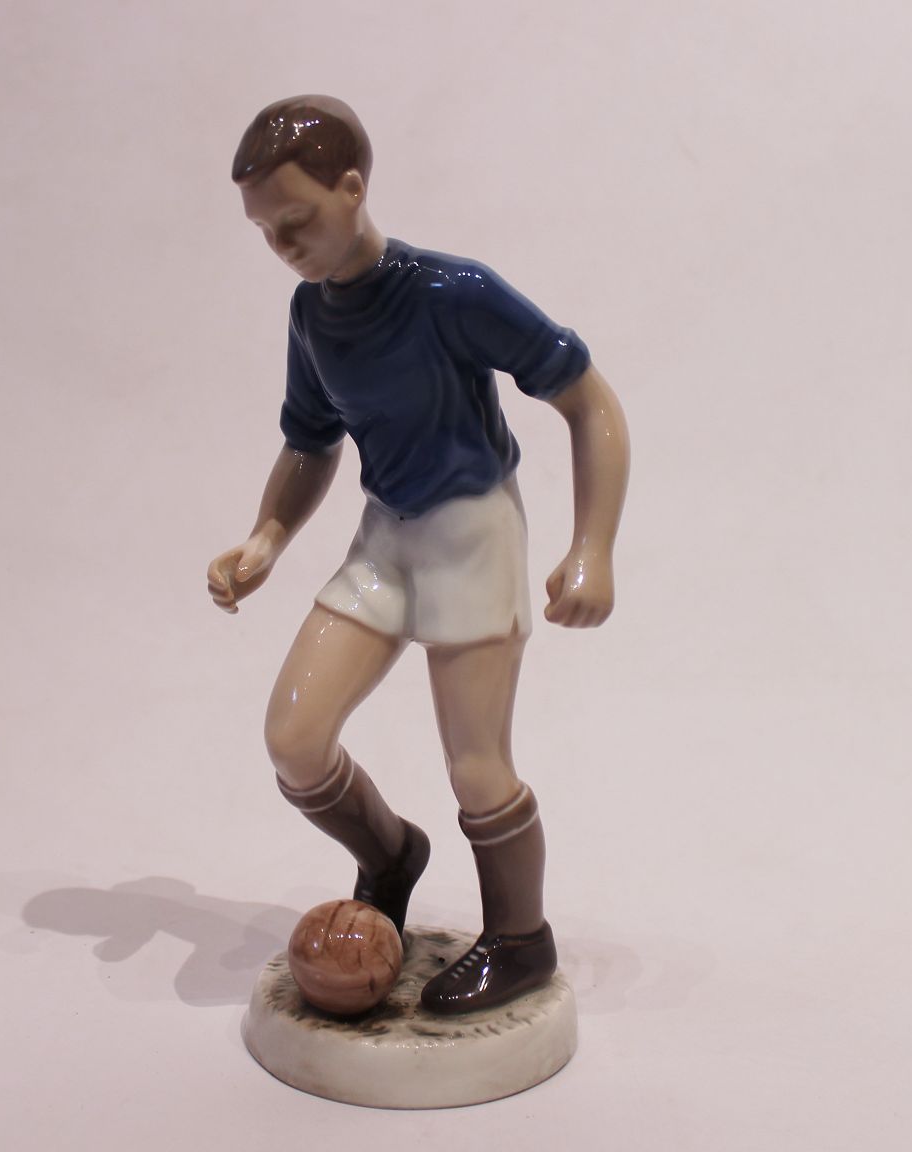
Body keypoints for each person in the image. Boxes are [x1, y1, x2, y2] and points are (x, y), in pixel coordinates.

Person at [208, 95, 629, 1015]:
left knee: (477, 765)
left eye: (297, 219)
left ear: (352, 188)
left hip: (472, 534)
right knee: (295, 740)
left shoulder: (451, 293)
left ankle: (521, 939)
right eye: (266, 231)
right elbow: (310, 439)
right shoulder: (311, 315)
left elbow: (589, 399)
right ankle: (391, 853)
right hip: (386, 536)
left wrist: (592, 546)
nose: (283, 245)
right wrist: (268, 536)